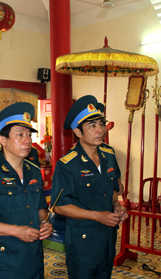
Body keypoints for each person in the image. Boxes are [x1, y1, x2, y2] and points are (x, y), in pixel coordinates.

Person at [0, 102, 53, 279]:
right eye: (20, 135)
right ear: (3, 140)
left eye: (29, 135)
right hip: (2, 262)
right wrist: (16, 230)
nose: (27, 140)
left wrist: (45, 224)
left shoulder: (34, 171)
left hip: (32, 259)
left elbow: (39, 209)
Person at [51, 95, 128, 279]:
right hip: (82, 239)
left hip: (108, 236)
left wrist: (116, 205)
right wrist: (97, 216)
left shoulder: (108, 154)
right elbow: (59, 205)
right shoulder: (67, 164)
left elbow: (113, 186)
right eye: (92, 126)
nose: (100, 130)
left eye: (101, 124)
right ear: (78, 133)